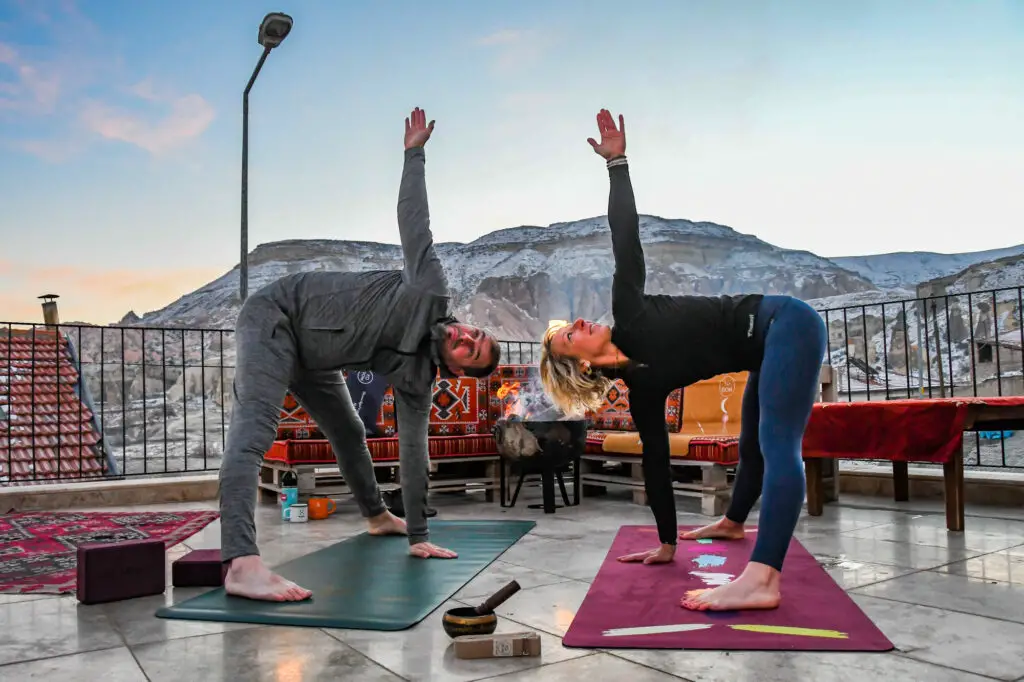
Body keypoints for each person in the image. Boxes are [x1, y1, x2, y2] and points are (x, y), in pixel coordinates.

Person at [538, 109, 827, 612]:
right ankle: (734, 523)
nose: (579, 324)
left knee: (779, 446)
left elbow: (624, 240)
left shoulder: (629, 311)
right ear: (581, 367)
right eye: (568, 337)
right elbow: (655, 461)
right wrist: (668, 542)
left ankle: (762, 579)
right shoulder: (642, 391)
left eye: (572, 323)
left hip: (787, 323)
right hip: (765, 350)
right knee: (754, 444)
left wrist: (618, 164)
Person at [219, 107, 502, 602]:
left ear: (457, 369)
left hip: (317, 360)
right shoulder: (429, 290)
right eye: (475, 333)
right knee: (253, 431)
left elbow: (416, 452)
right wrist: (414, 154)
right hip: (276, 316)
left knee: (350, 430)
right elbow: (415, 224)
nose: (467, 337)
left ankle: (377, 518)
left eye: (471, 351)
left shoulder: (419, 380)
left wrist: (419, 537)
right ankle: (241, 562)